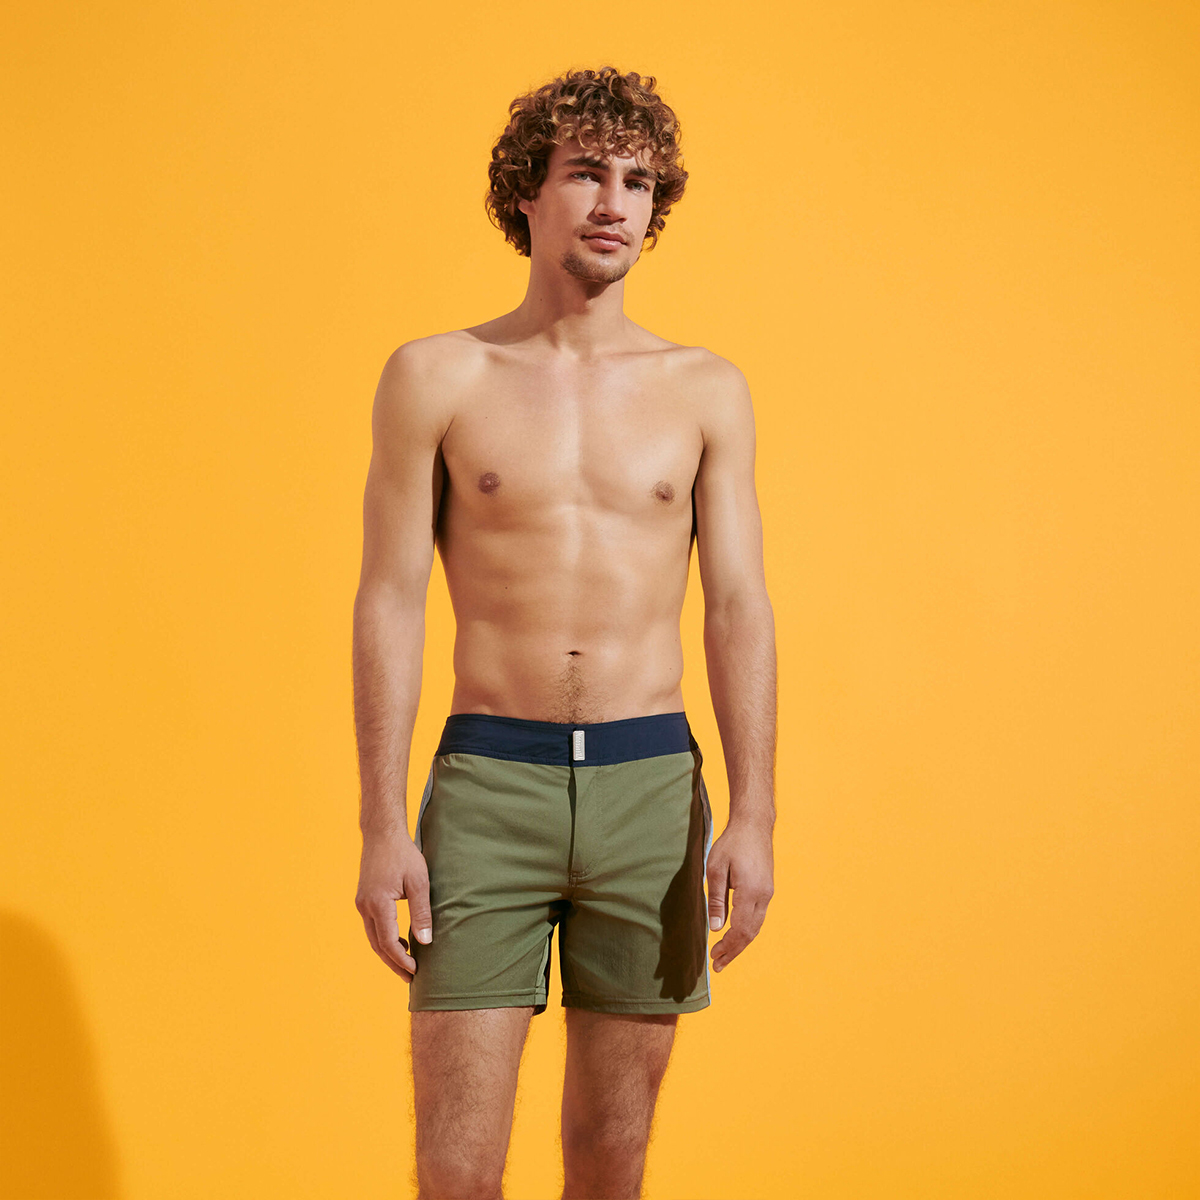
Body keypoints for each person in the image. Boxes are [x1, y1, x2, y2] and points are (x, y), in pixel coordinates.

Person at [353, 65, 776, 1200]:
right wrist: (382, 822)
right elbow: (389, 597)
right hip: (490, 787)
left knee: (609, 1161)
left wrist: (755, 814)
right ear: (525, 194)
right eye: (587, 173)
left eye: (639, 182)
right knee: (456, 1170)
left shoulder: (705, 389)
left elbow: (737, 604)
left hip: (650, 789)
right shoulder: (437, 375)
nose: (614, 204)